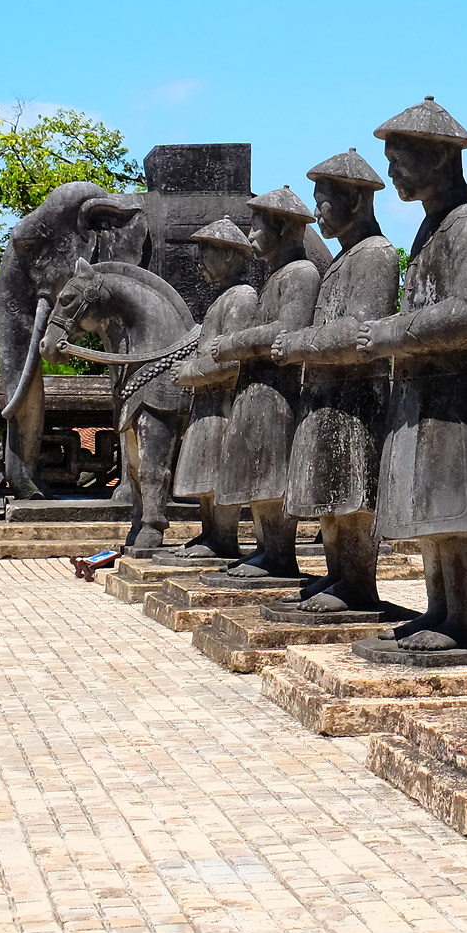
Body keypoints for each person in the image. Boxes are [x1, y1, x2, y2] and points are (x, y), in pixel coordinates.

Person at [356, 99, 467, 653]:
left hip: (457, 391)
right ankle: (441, 610)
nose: (393, 170)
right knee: (431, 509)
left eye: (401, 158)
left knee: (460, 510)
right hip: (423, 389)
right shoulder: (432, 227)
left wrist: (392, 333)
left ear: (441, 158)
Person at [271, 150, 400, 615]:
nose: (318, 211)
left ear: (356, 201)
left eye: (325, 200)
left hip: (356, 395)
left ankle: (358, 583)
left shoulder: (375, 255)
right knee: (329, 494)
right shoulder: (345, 259)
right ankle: (338, 574)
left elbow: (359, 332)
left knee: (352, 497)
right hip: (327, 393)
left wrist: (299, 344)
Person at [206, 187, 323, 581]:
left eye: (257, 228)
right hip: (257, 388)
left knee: (272, 477)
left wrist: (234, 343)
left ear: (286, 228)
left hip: (280, 390)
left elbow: (288, 330)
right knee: (257, 473)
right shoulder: (275, 276)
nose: (251, 236)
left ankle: (278, 554)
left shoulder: (301, 273)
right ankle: (265, 549)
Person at [167, 217, 257, 560]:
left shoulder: (242, 298)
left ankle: (223, 537)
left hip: (224, 403)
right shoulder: (223, 298)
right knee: (204, 472)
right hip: (207, 403)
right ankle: (210, 534)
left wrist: (192, 371)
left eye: (208, 251)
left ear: (231, 256)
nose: (200, 258)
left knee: (217, 473)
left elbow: (233, 360)